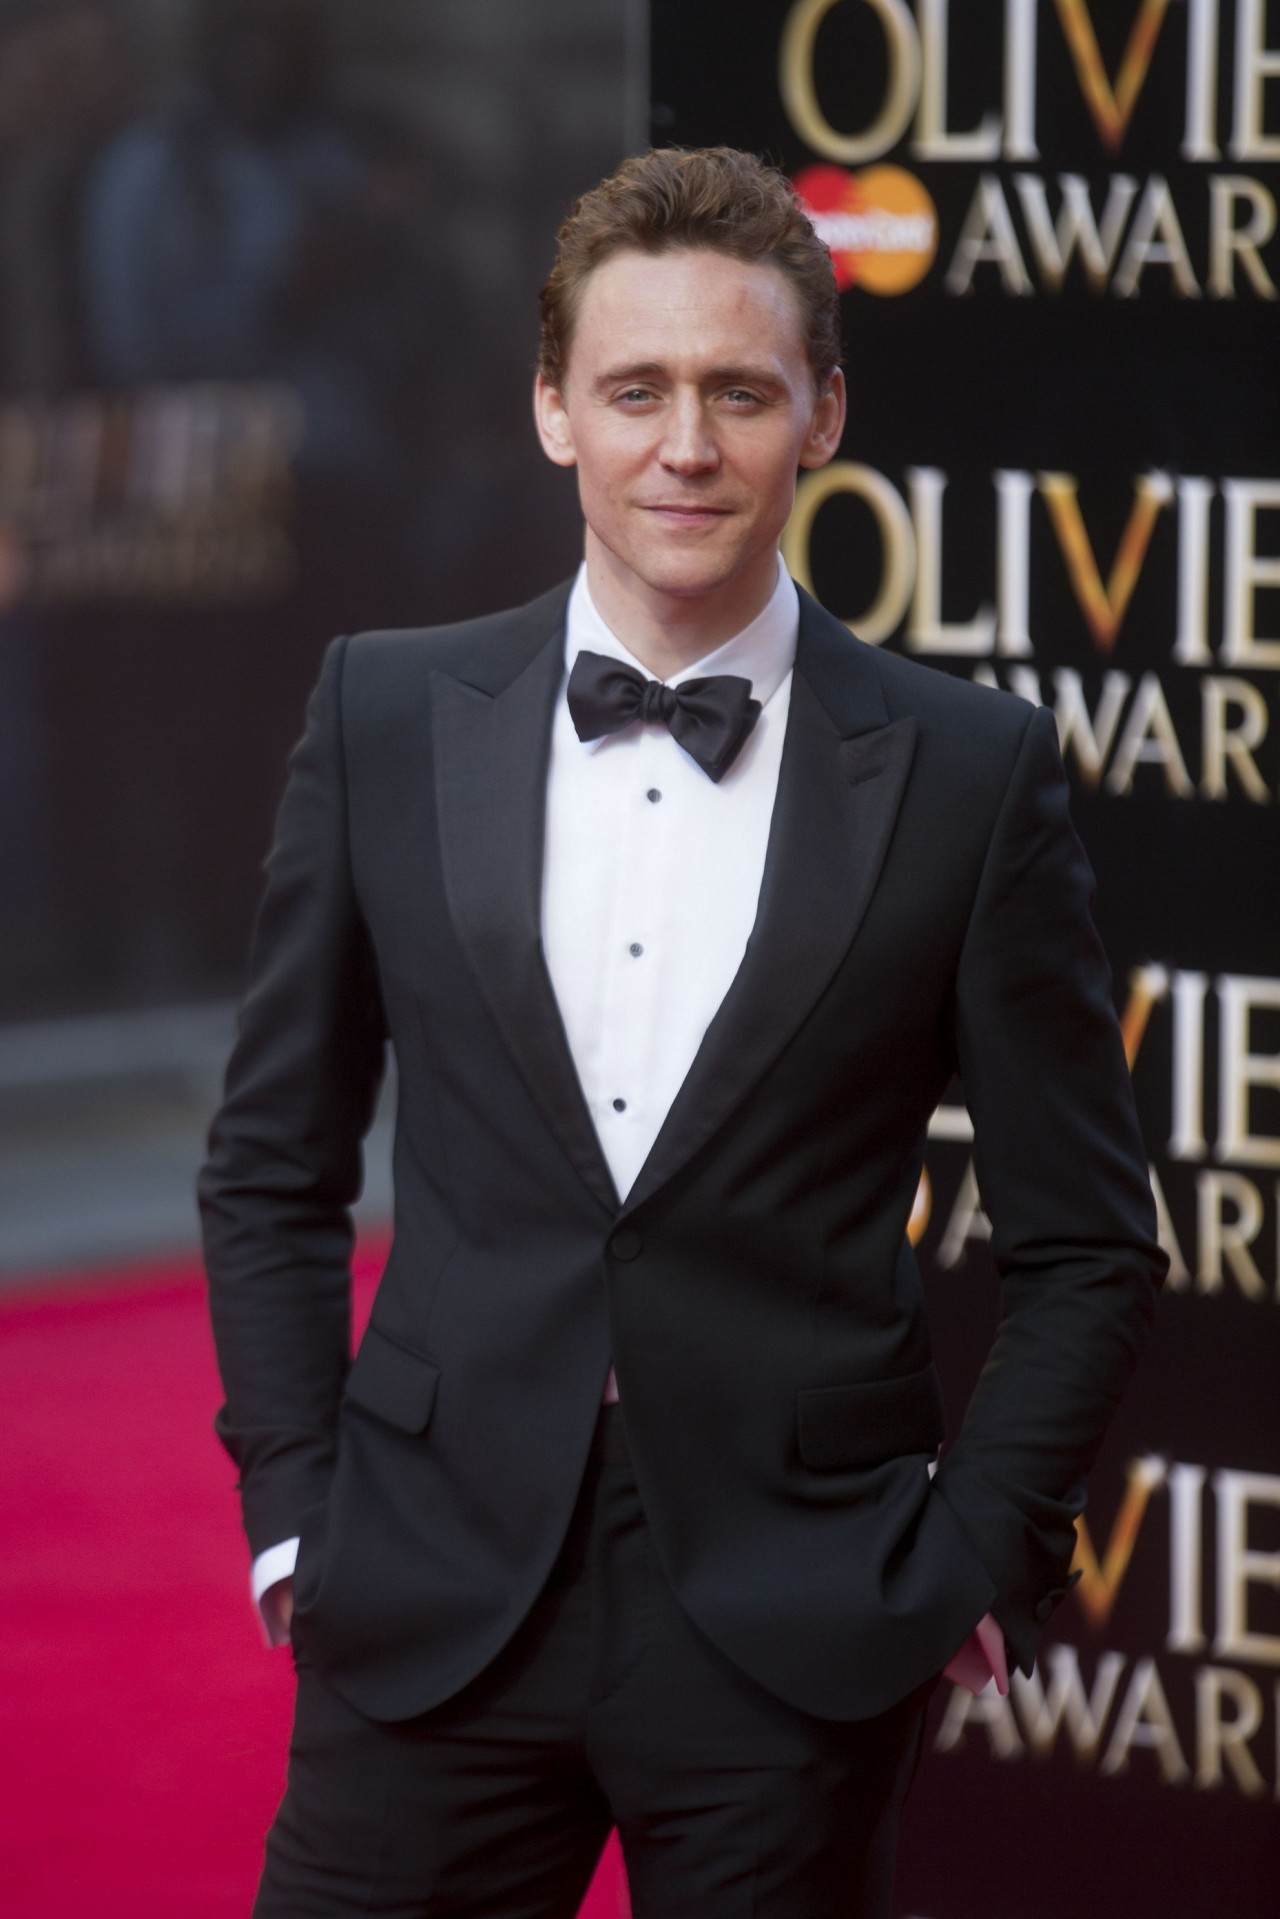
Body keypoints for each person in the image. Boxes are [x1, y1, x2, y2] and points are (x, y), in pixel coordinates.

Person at [200, 146, 1166, 1918]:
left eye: (740, 391)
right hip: (425, 1581)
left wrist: (973, 1550)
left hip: (796, 1616)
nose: (686, 446)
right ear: (554, 409)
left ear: (824, 415)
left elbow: (1090, 1240)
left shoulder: (968, 774)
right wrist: (293, 1514)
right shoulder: (383, 711)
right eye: (636, 389)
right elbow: (272, 1160)